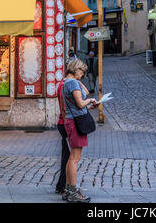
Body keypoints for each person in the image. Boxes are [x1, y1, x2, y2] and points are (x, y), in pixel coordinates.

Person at [62, 58, 98, 203]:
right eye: (82, 71)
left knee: (72, 157)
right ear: (76, 69)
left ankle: (68, 189)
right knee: (75, 158)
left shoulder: (68, 82)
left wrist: (88, 107)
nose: (83, 74)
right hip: (76, 123)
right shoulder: (72, 83)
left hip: (73, 119)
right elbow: (80, 102)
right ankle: (73, 191)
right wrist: (90, 101)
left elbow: (79, 103)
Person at [55, 76, 70, 194]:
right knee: (68, 157)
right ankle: (63, 185)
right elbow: (64, 108)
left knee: (66, 156)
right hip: (65, 123)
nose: (82, 76)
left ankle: (61, 184)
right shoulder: (65, 85)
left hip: (63, 123)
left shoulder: (63, 84)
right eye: (81, 72)